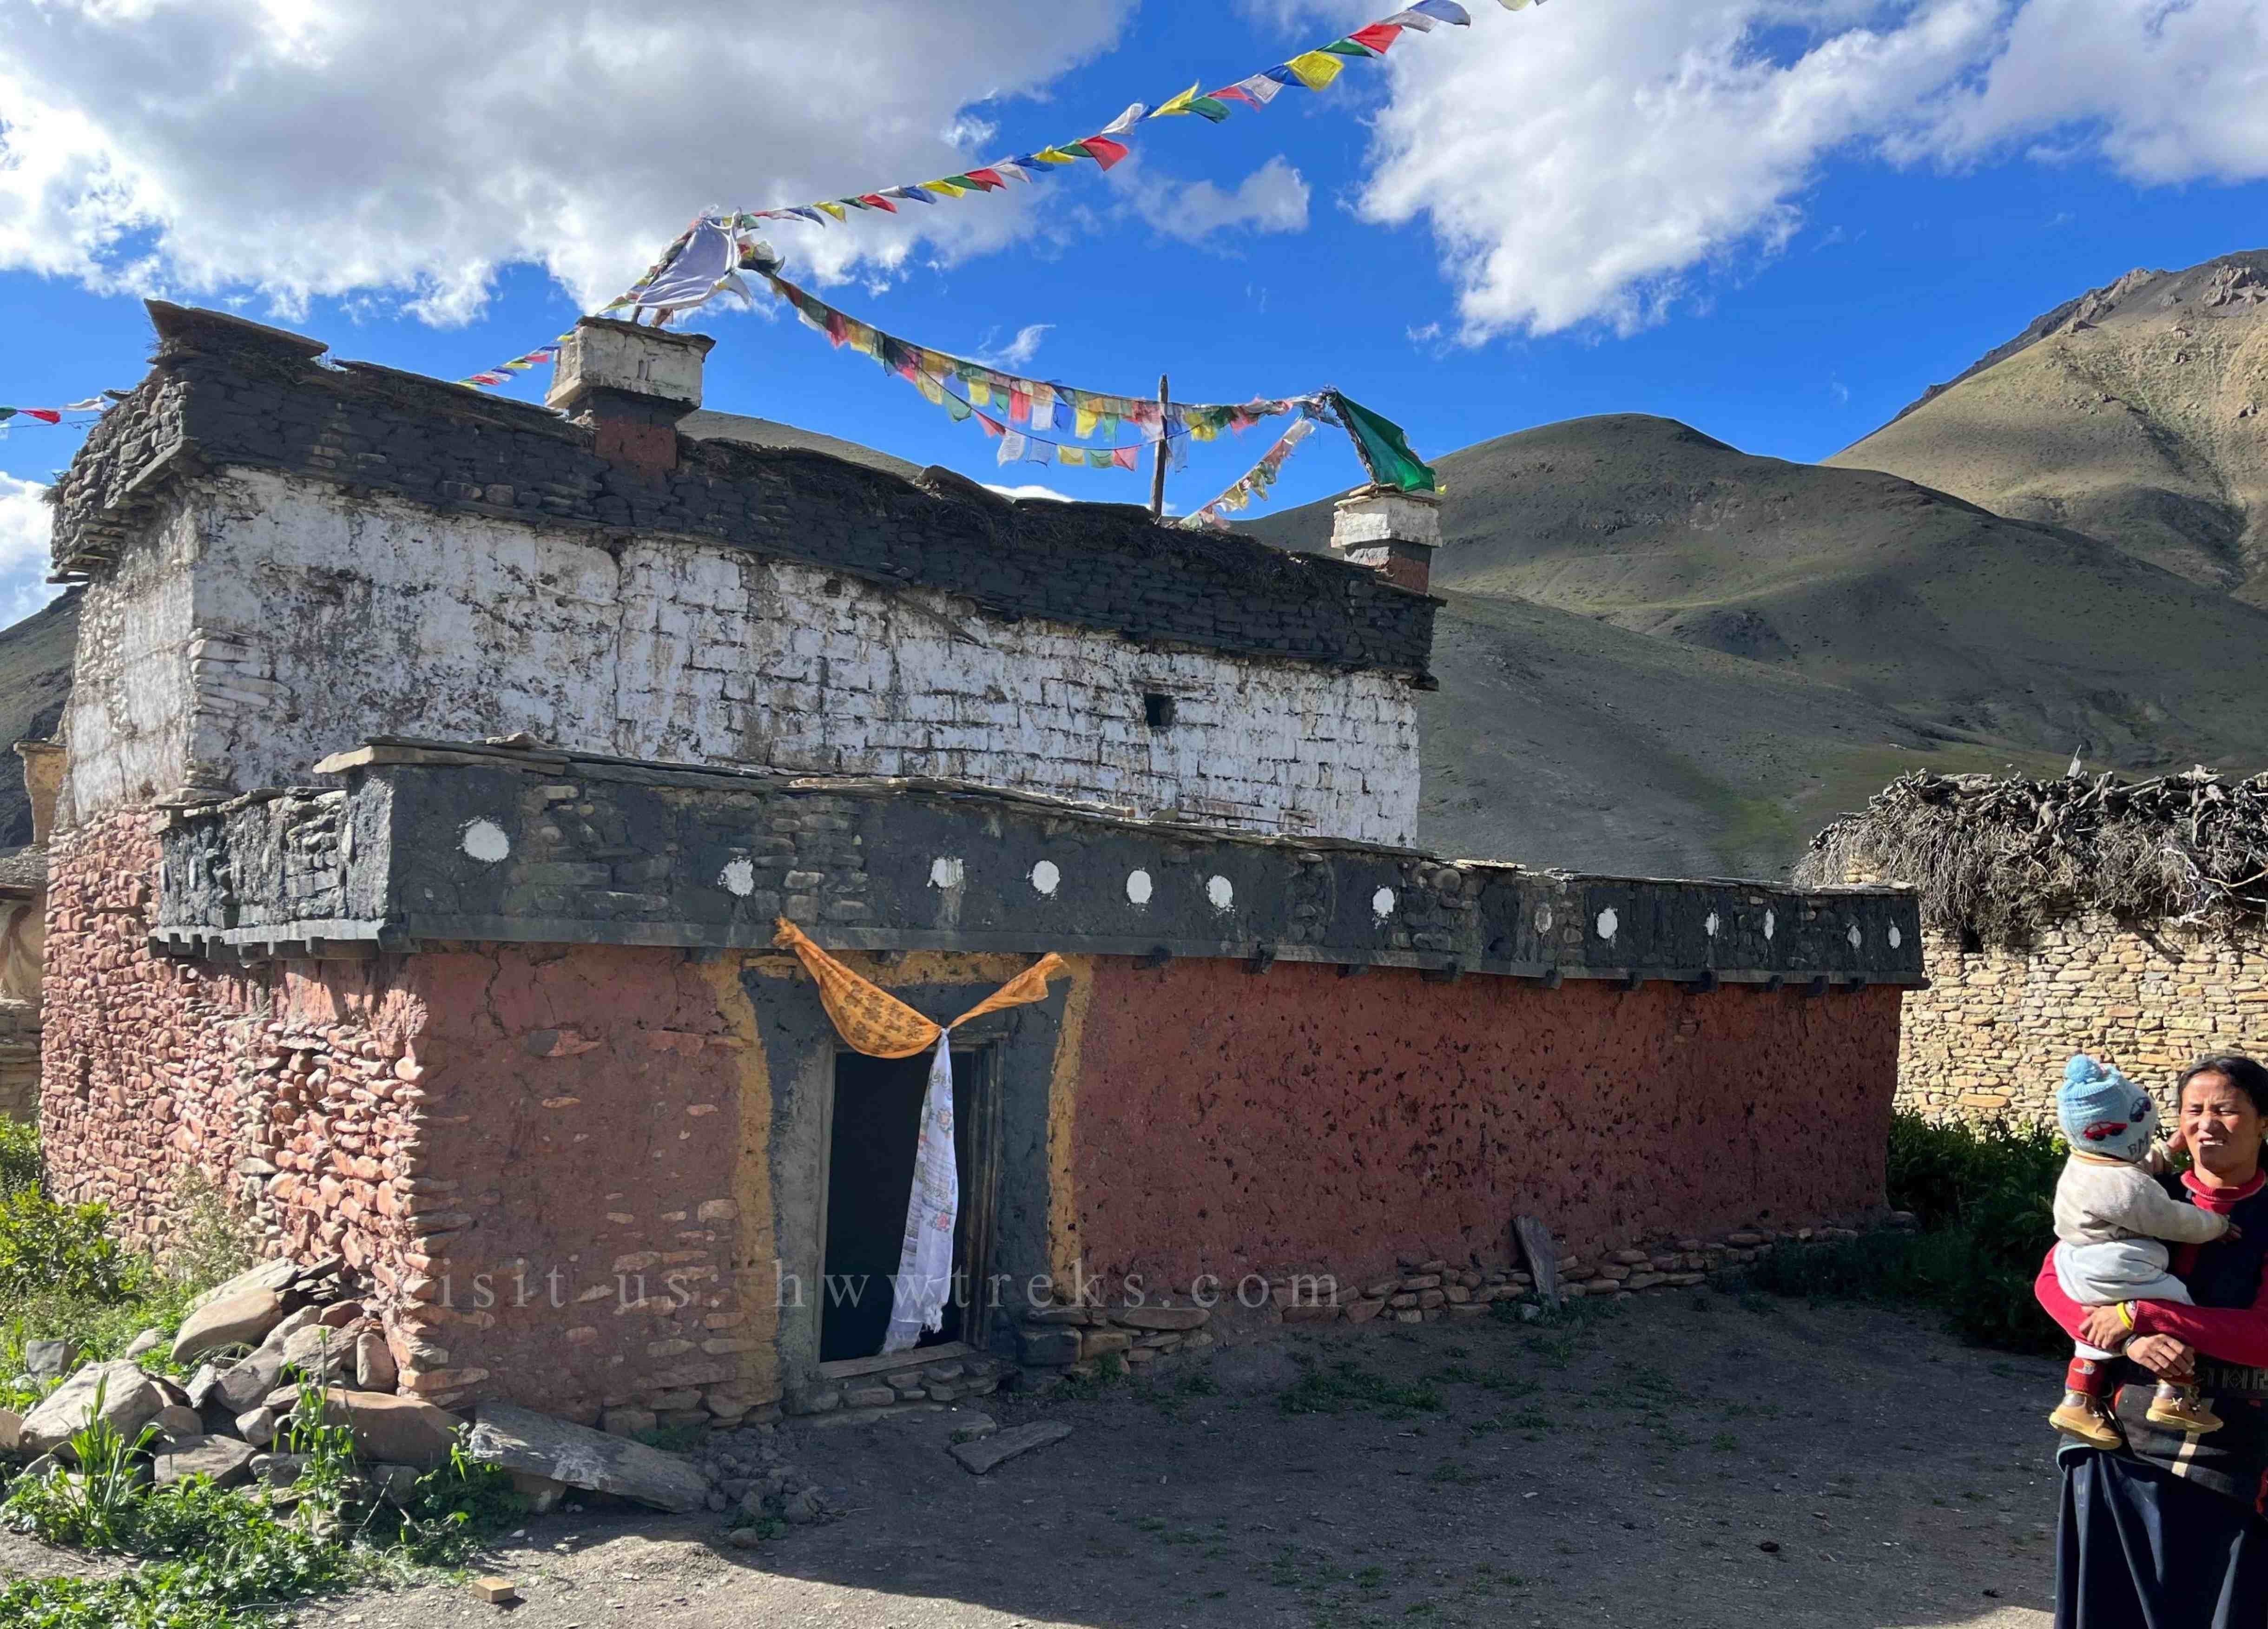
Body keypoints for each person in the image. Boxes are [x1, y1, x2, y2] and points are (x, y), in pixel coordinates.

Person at [2034, 1053, 2268, 1629]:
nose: (2206, 1123)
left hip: (2234, 1459)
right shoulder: (2132, 1186)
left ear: (2264, 1121)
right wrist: (2125, 1338)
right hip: (2120, 1446)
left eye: (2226, 1110)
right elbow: (2052, 1279)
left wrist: (2141, 1314)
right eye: (2194, 1109)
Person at [2047, 1053, 2232, 1447]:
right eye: (2194, 1109)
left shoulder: (2086, 1163)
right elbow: (2171, 1218)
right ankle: (2176, 1392)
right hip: (2116, 1264)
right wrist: (2217, 1225)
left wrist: (2165, 1152)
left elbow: (2130, 1163)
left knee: (2092, 1335)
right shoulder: (2129, 1189)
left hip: (2077, 1262)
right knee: (2176, 1304)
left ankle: (2078, 1398)